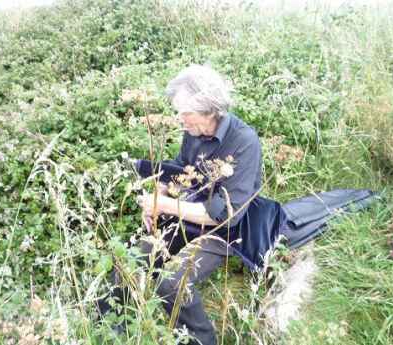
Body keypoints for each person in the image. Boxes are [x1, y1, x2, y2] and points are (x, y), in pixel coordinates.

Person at [98, 64, 286, 345]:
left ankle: (200, 340)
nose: (179, 119)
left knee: (172, 283)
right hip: (191, 210)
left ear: (209, 107)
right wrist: (162, 190)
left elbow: (226, 217)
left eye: (184, 112)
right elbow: (184, 170)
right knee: (130, 258)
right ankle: (111, 328)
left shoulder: (244, 142)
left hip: (226, 231)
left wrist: (164, 206)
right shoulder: (193, 131)